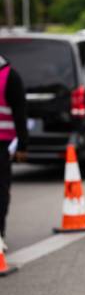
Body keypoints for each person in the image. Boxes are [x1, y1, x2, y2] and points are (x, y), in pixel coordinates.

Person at [0, 55, 27, 252]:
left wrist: (22, 145)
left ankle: (0, 232)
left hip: (3, 144)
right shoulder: (11, 75)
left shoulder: (10, 77)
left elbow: (19, 112)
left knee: (1, 190)